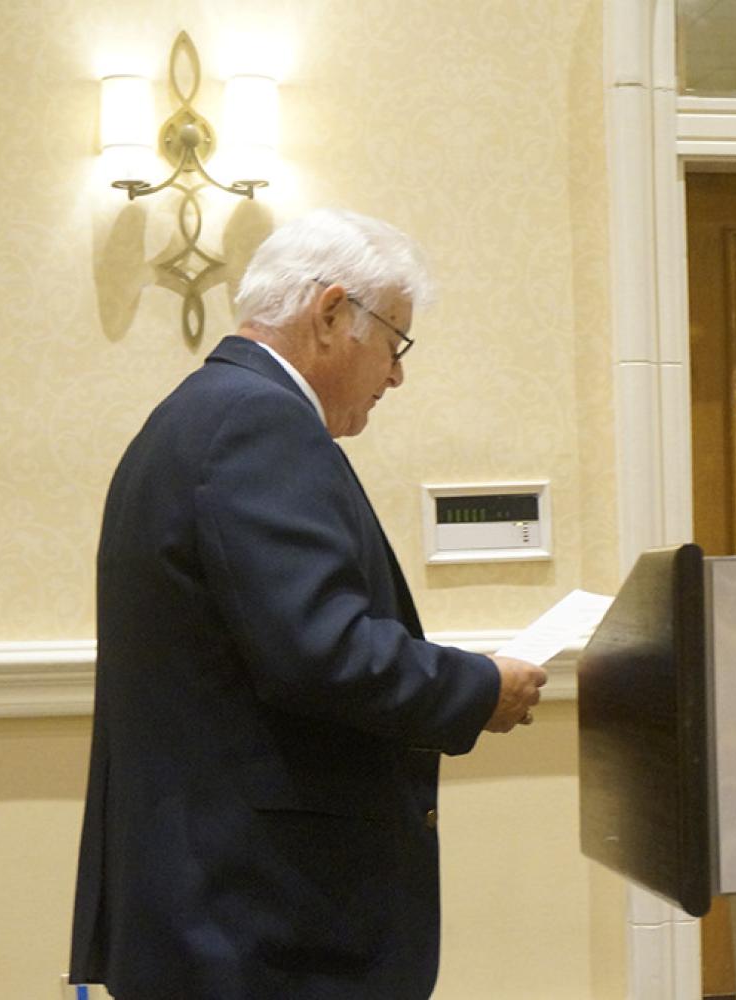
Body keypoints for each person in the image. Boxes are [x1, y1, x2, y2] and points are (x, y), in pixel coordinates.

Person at [69, 208, 547, 999]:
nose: (396, 375)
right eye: (395, 342)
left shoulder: (198, 413)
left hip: (212, 906)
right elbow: (322, 654)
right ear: (331, 315)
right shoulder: (258, 423)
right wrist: (480, 687)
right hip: (259, 927)